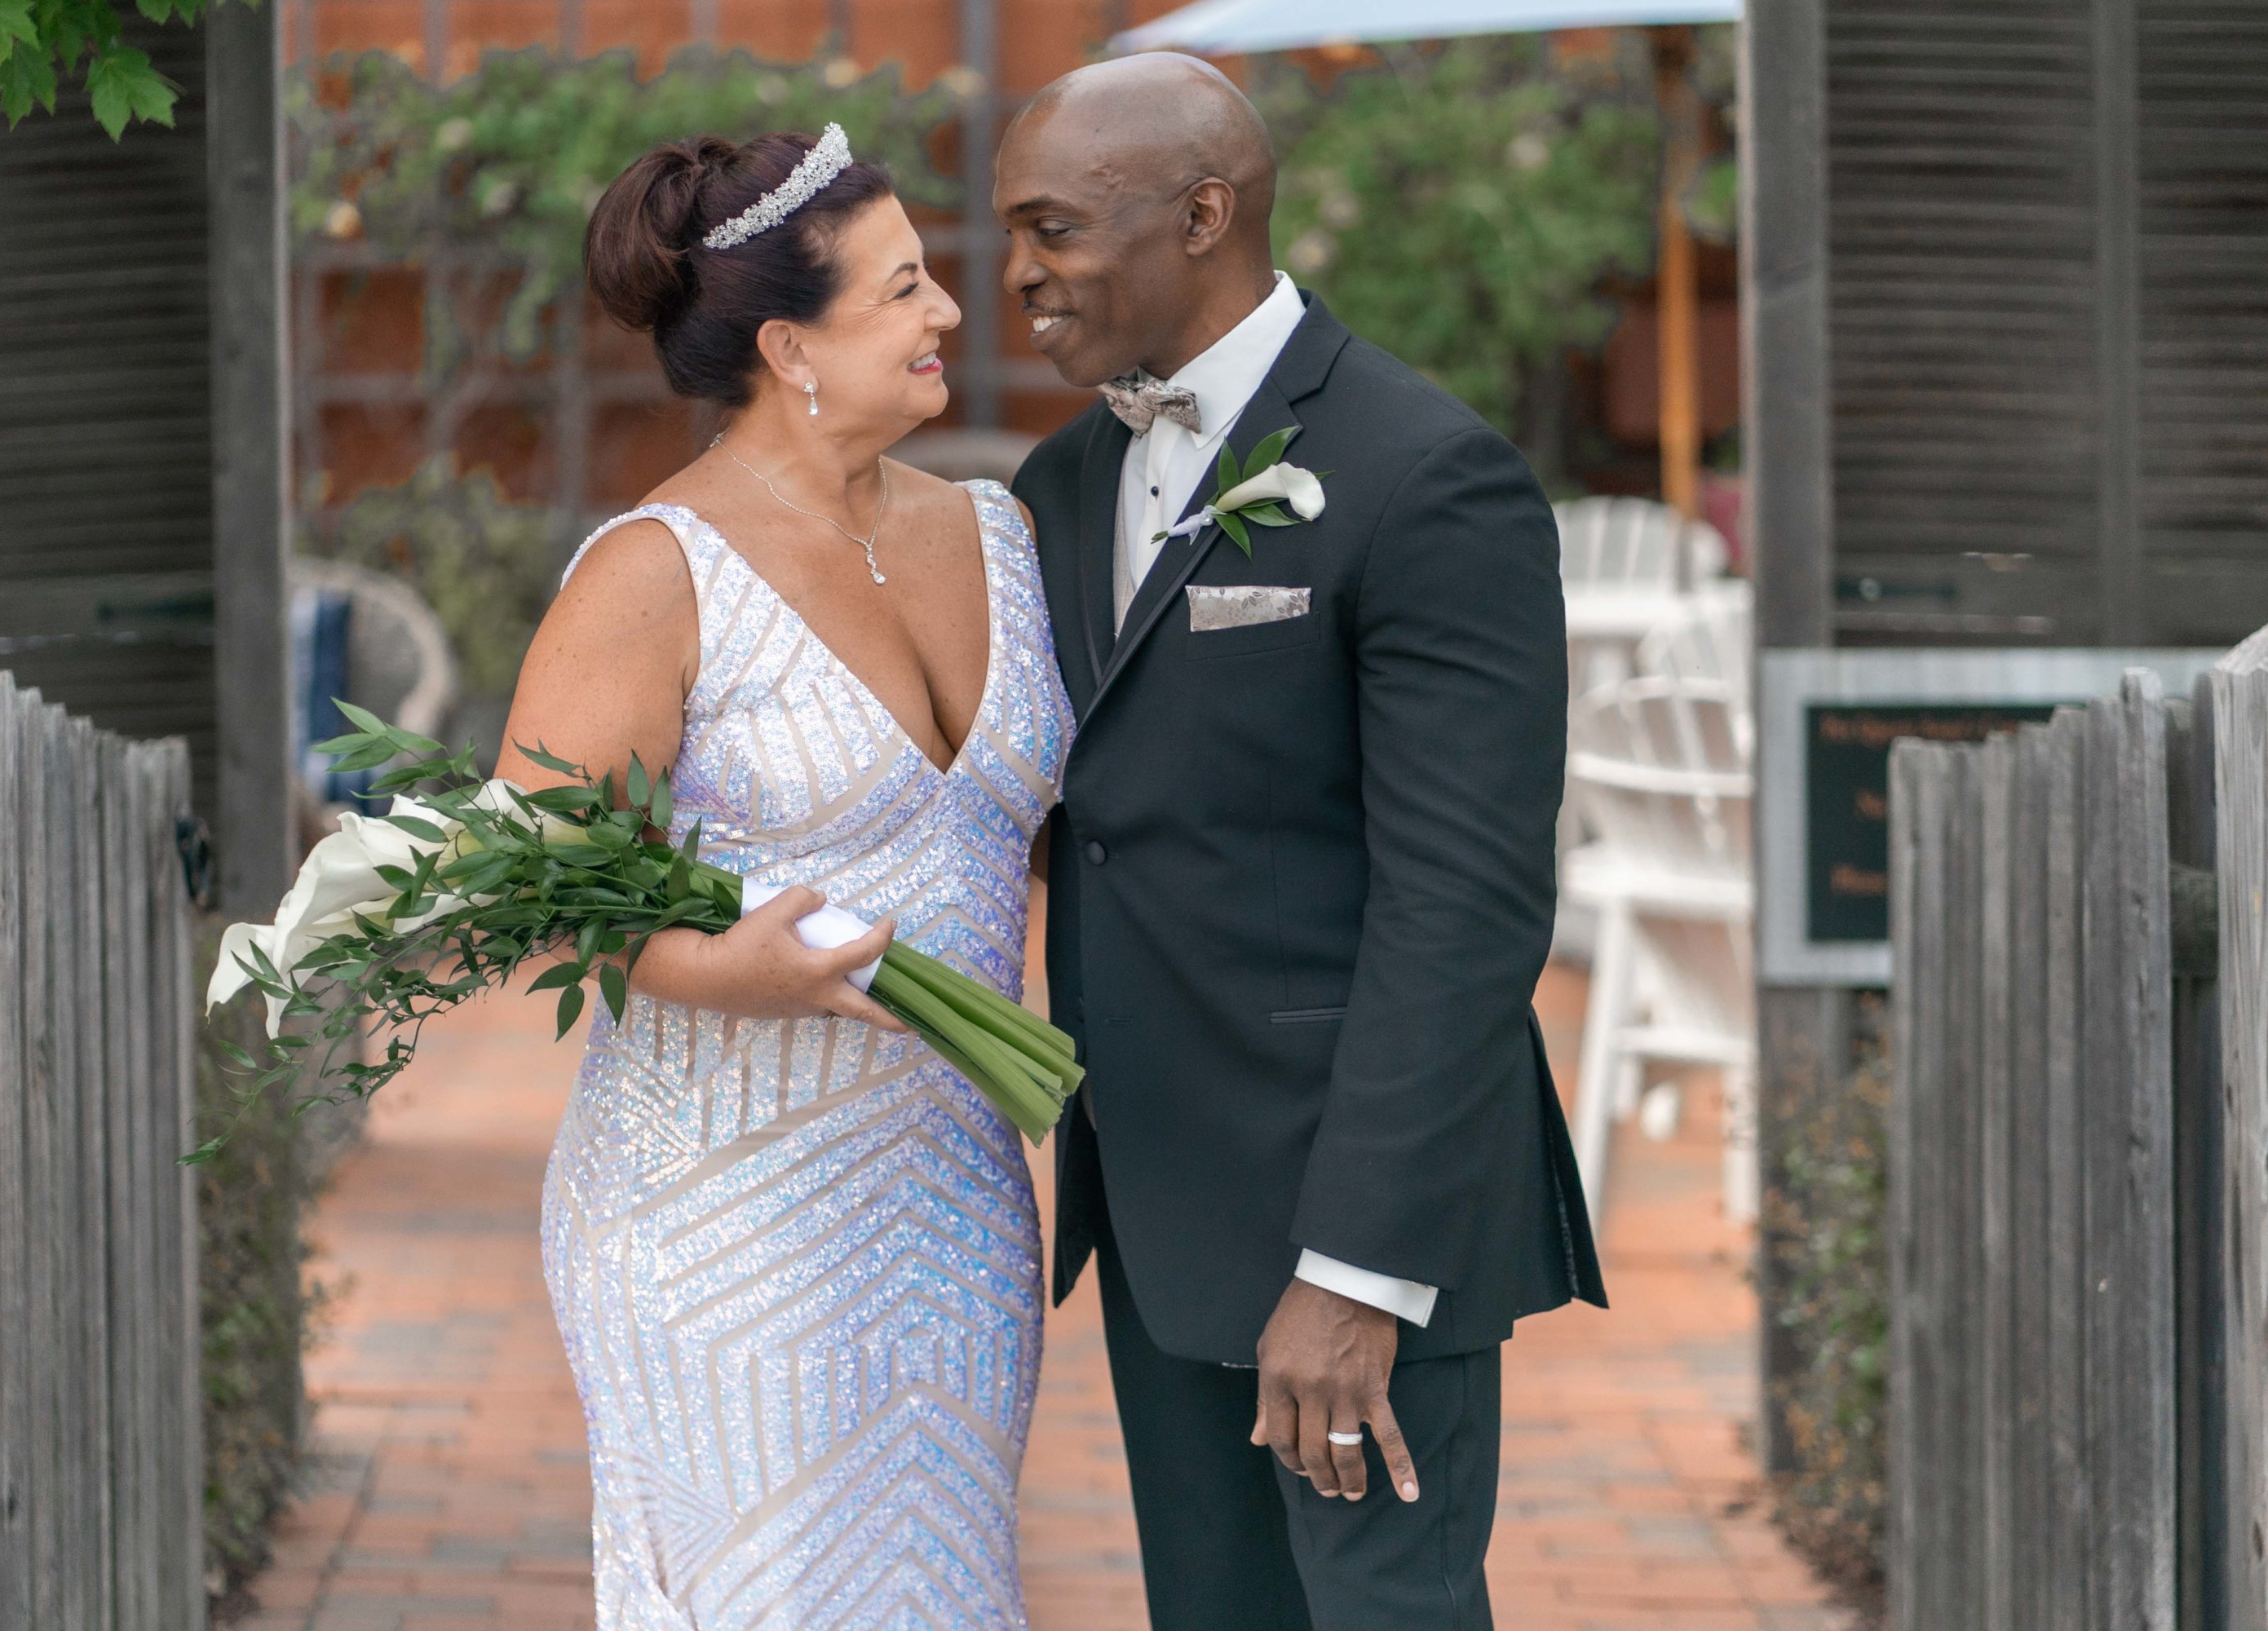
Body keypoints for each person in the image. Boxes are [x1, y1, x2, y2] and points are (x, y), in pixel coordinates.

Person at [998, 55, 1606, 1630]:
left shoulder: (1427, 474)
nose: (1017, 276)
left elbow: (1466, 906)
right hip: (1158, 1207)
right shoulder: (1061, 482)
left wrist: (1355, 1271)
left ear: (1203, 215)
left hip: (1359, 1219)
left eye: (1053, 228)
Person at [501, 125, 1074, 1629]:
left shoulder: (1002, 534)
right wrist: (719, 969)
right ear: (788, 347)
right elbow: (539, 885)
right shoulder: (651, 573)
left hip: (954, 1203)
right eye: (902, 289)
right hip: (725, 1215)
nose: (950, 309)